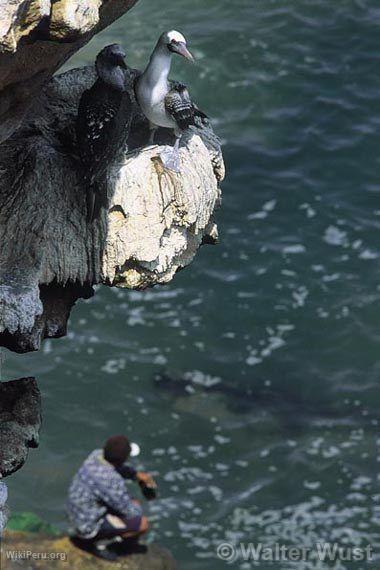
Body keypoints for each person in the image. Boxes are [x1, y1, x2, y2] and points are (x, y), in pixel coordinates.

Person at [67, 435, 156, 561]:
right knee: (142, 524)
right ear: (125, 458)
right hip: (87, 526)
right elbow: (130, 511)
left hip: (75, 513)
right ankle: (101, 544)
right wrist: (136, 503)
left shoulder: (96, 455)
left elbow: (116, 467)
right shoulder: (111, 480)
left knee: (125, 504)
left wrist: (135, 475)